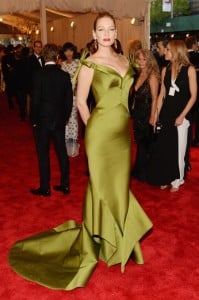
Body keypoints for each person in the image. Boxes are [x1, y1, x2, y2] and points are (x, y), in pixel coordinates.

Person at [8, 13, 152, 290]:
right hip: (100, 136)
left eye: (111, 28)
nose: (107, 33)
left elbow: (127, 97)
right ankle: (99, 242)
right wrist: (95, 131)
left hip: (123, 135)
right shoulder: (89, 64)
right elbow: (81, 102)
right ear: (95, 34)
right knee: (101, 188)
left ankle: (118, 241)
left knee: (120, 186)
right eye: (102, 29)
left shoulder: (125, 61)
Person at [147, 40, 197, 192]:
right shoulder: (165, 69)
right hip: (166, 114)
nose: (165, 52)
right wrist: (156, 114)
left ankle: (177, 179)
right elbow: (162, 94)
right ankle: (165, 176)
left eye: (168, 49)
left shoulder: (190, 70)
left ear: (176, 51)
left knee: (179, 149)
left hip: (182, 114)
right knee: (165, 147)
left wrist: (182, 115)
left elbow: (193, 96)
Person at [28, 43, 73, 196]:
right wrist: (65, 118)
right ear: (57, 57)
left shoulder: (38, 74)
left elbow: (35, 101)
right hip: (59, 120)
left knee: (43, 154)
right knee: (62, 152)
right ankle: (65, 184)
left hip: (42, 120)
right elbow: (69, 101)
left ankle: (45, 187)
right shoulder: (64, 75)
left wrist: (33, 119)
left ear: (43, 56)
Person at [130, 49, 160, 181]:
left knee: (147, 142)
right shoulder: (138, 74)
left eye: (144, 59)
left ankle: (147, 172)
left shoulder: (152, 75)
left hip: (148, 110)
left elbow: (155, 98)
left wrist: (153, 116)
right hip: (138, 111)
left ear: (149, 60)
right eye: (139, 59)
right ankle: (139, 169)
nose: (141, 62)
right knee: (140, 141)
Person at [61, 42, 80, 157]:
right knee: (65, 119)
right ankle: (65, 144)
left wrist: (78, 88)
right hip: (64, 96)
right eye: (66, 51)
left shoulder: (78, 63)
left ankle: (73, 145)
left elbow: (82, 78)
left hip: (74, 95)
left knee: (73, 118)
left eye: (70, 50)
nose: (68, 53)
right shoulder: (62, 64)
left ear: (73, 51)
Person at [185, 36, 199, 147]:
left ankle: (188, 138)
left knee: (188, 115)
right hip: (197, 90)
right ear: (193, 44)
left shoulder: (185, 57)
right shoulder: (197, 56)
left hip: (186, 91)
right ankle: (197, 138)